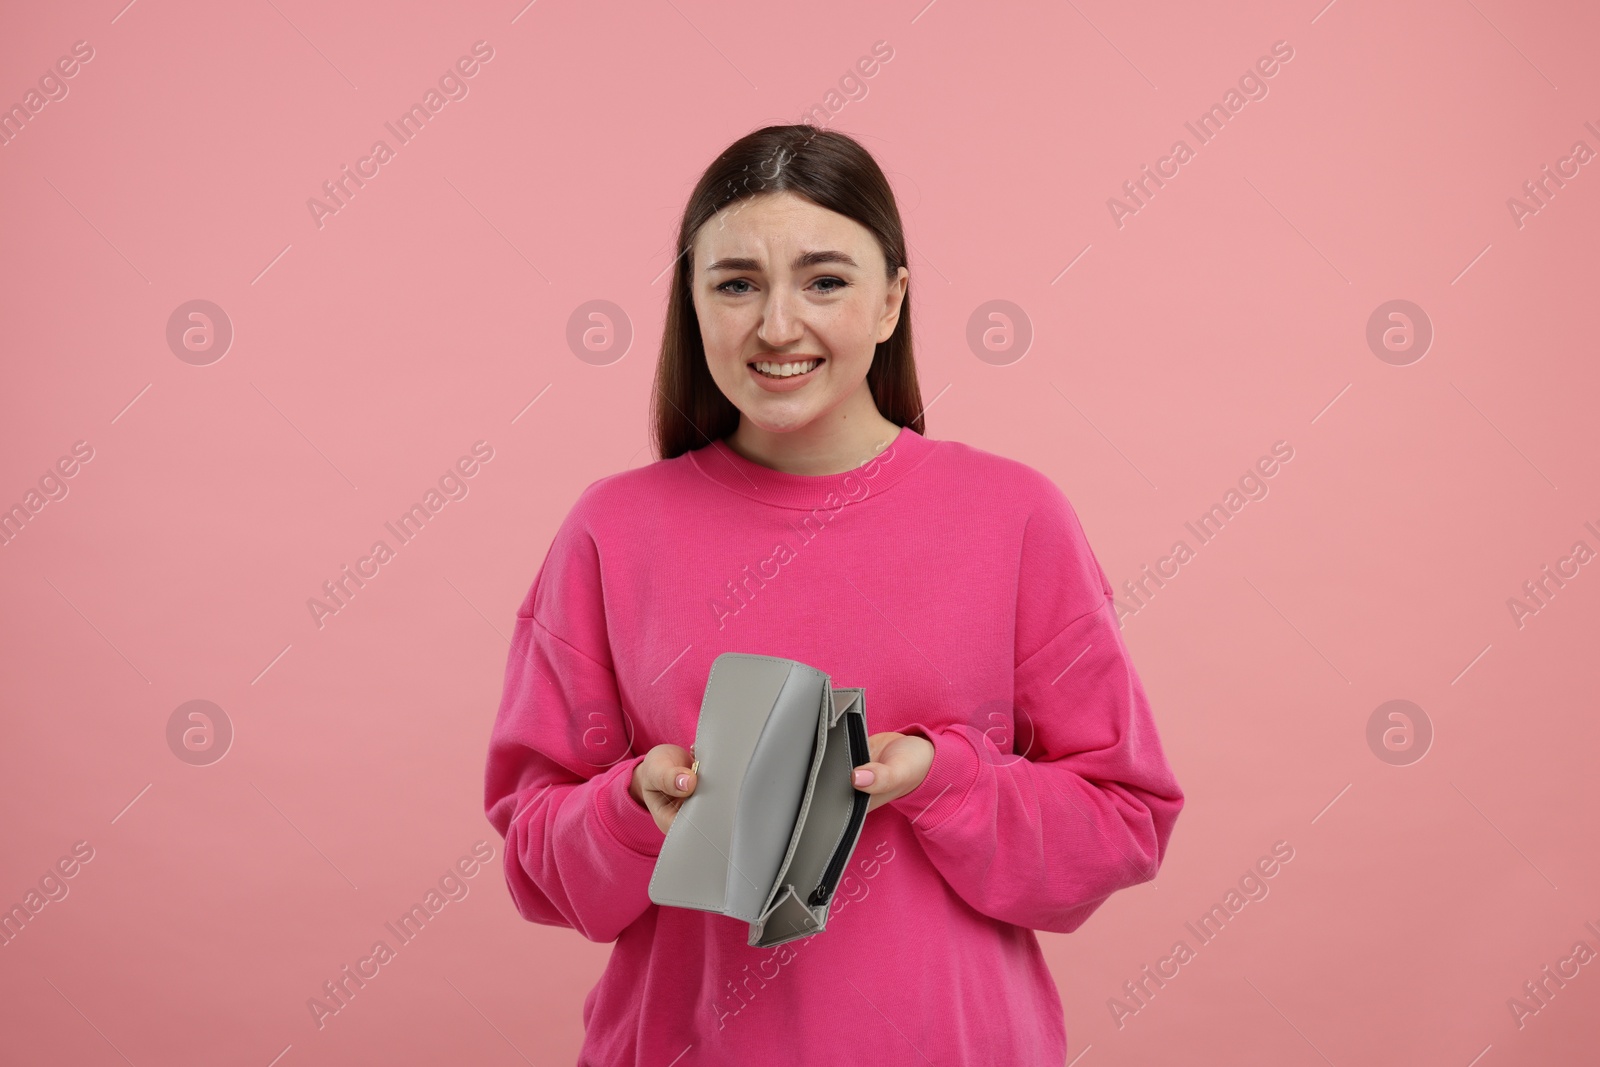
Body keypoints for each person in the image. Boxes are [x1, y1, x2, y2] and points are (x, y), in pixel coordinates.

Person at [483, 123, 1185, 1066]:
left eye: (825, 280)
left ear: (893, 299)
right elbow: (537, 862)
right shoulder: (612, 530)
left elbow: (1124, 821)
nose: (777, 325)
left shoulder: (1014, 516)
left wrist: (945, 779)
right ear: (692, 304)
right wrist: (628, 808)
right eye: (736, 284)